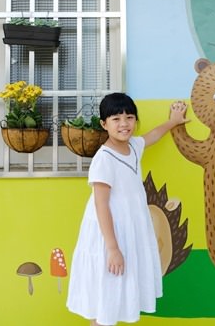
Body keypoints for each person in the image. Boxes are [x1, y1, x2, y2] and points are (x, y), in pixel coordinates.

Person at [66, 93, 188, 326]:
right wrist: (112, 248)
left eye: (129, 117)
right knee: (106, 291)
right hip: (108, 234)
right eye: (116, 119)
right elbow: (101, 205)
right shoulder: (104, 159)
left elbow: (151, 136)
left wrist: (173, 121)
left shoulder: (133, 146)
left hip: (128, 230)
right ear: (104, 124)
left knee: (116, 291)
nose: (124, 124)